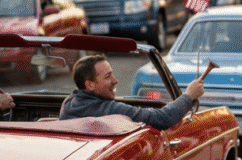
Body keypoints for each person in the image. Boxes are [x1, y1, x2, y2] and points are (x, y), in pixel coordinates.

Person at [59, 54, 205, 129]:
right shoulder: (110, 109)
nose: (115, 80)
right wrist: (188, 95)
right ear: (90, 85)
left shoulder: (68, 104)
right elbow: (162, 118)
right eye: (108, 76)